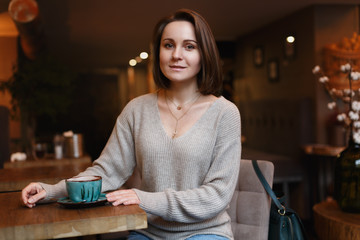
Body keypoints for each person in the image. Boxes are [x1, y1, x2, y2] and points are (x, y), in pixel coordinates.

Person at [22, 8, 241, 240]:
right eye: (168, 45)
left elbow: (217, 196)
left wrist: (143, 198)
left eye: (189, 46)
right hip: (148, 232)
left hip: (204, 232)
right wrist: (51, 190)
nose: (177, 54)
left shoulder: (225, 113)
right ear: (158, 52)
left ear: (204, 54)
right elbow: (106, 172)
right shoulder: (136, 109)